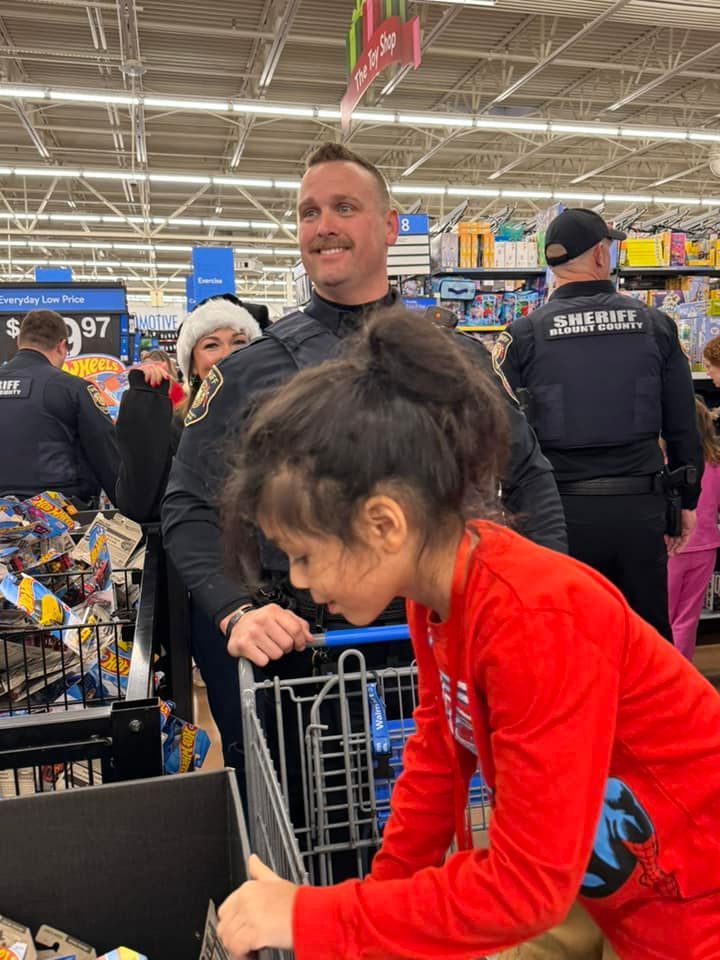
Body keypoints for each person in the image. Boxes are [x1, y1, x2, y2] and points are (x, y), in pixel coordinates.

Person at [215, 306, 720, 960]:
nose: (299, 581)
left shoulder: (534, 619)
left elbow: (525, 889)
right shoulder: (440, 597)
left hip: (690, 897)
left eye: (304, 555)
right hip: (610, 884)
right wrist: (368, 915)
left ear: (384, 524)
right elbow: (436, 762)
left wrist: (316, 918)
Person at [161, 142, 566, 681]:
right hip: (306, 660)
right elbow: (188, 502)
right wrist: (236, 609)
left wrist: (542, 598)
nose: (324, 226)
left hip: (452, 641)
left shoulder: (458, 361)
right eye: (309, 213)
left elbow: (529, 477)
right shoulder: (246, 372)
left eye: (345, 208)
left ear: (390, 226)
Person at [493, 207, 703, 640]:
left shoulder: (522, 335)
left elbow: (500, 433)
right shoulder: (655, 326)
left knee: (565, 641)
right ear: (600, 255)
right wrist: (686, 501)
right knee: (645, 643)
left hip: (557, 516)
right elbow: (683, 423)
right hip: (639, 512)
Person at [115, 297, 261, 525]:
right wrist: (145, 402)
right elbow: (138, 506)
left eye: (239, 342)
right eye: (211, 345)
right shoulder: (175, 428)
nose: (227, 354)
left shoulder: (280, 420)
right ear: (192, 366)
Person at [0, 308, 119, 505]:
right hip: (58, 515)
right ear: (62, 346)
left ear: (19, 342)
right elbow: (107, 457)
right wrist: (134, 510)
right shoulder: (73, 389)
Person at [667, 397, 720, 660]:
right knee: (688, 618)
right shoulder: (715, 462)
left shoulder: (665, 463)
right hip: (706, 547)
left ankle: (661, 671)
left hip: (671, 546)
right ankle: (681, 670)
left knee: (662, 614)